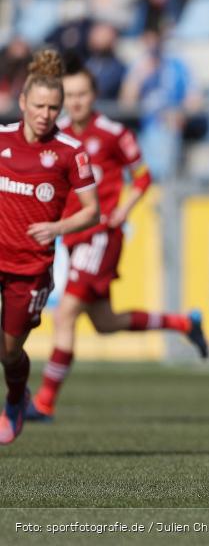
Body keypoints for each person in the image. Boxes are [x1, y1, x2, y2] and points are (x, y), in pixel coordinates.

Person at [26, 60, 208, 422]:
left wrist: (124, 209)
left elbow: (142, 176)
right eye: (70, 95)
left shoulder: (111, 132)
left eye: (82, 94)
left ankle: (43, 403)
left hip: (101, 235)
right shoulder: (58, 134)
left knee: (65, 314)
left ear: (94, 96)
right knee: (105, 323)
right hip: (76, 237)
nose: (75, 102)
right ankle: (184, 324)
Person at [0, 49, 100, 444]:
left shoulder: (70, 152)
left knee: (9, 352)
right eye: (39, 105)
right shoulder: (2, 139)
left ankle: (15, 398)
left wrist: (56, 226)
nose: (45, 114)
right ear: (22, 102)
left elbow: (92, 212)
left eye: (53, 108)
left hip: (31, 268)